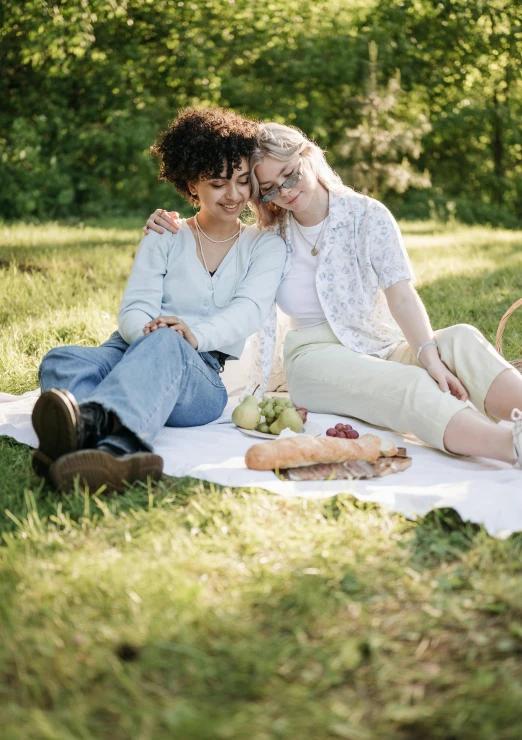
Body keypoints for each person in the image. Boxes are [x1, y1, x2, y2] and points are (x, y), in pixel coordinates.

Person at [144, 119, 522, 468]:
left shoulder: (367, 215)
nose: (285, 193)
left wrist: (430, 355)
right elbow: (211, 242)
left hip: (380, 342)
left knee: (460, 339)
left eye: (290, 177)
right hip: (313, 357)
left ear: (308, 155)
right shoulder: (268, 238)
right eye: (271, 189)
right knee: (409, 385)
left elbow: (402, 296)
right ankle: (510, 448)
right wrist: (170, 226)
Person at [32, 108, 286, 492]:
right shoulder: (165, 232)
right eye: (218, 183)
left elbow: (248, 312)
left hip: (199, 374)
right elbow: (135, 307)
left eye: (241, 181)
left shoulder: (265, 244)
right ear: (192, 185)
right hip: (133, 347)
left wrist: (189, 335)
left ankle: (115, 445)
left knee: (167, 342)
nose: (233, 195)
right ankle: (95, 441)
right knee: (63, 360)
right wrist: (151, 333)